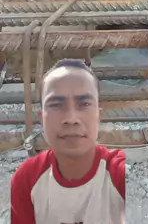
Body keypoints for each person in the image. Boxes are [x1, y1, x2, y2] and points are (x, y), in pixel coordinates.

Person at [10, 58, 125, 224]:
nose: (71, 118)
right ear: (42, 118)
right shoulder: (27, 179)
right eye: (56, 105)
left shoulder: (119, 174)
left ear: (99, 115)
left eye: (84, 104)